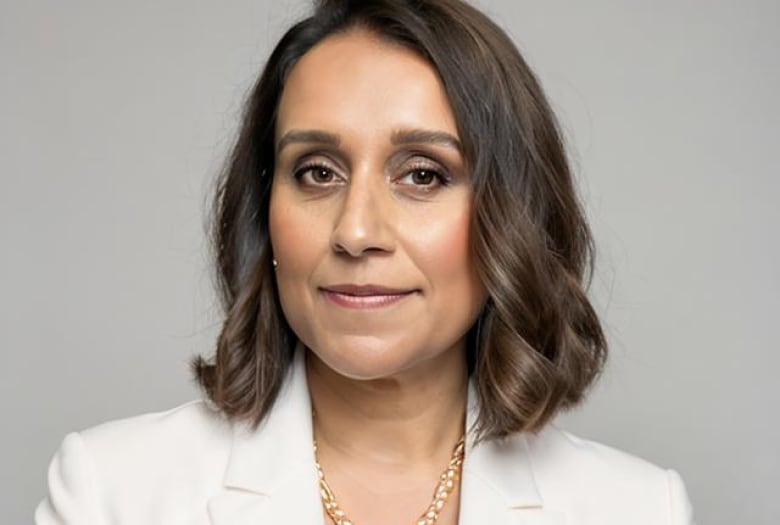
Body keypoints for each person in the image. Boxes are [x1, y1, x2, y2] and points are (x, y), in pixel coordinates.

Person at [36, 0, 695, 524]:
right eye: (317, 171)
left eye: (423, 175)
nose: (356, 231)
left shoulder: (637, 509)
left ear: (511, 217)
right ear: (265, 212)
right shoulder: (112, 494)